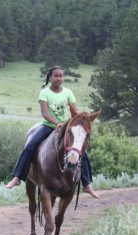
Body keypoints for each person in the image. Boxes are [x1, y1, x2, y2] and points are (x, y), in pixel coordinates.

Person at [6, 66, 100, 199]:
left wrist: (85, 117)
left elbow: (74, 112)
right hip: (48, 126)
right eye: (56, 76)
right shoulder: (44, 93)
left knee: (81, 152)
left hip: (66, 128)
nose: (58, 78)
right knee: (30, 146)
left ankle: (87, 184)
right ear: (50, 77)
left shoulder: (68, 93)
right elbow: (45, 113)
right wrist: (57, 123)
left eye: (61, 76)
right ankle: (17, 177)